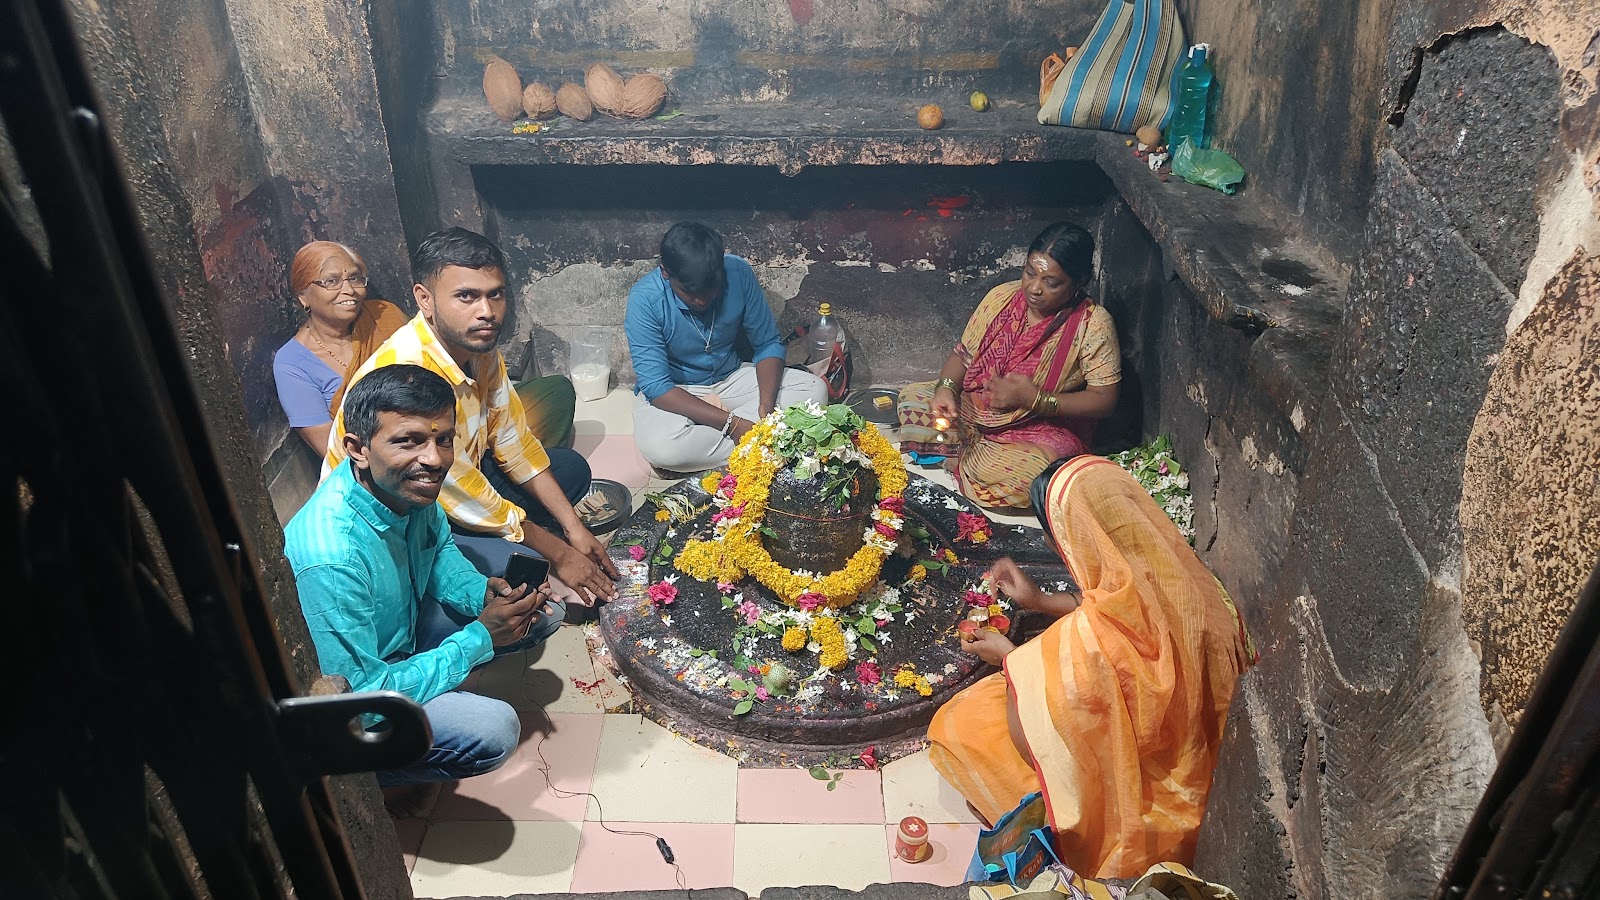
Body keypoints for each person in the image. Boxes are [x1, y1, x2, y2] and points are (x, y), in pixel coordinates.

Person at [927, 455, 1257, 878]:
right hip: (1202, 779)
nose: (1051, 546)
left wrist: (1011, 661)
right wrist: (1040, 601)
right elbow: (1119, 602)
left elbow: (1034, 747)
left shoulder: (1091, 646)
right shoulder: (1189, 581)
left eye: (1054, 536)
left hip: (1136, 816)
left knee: (960, 725)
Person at [285, 364, 563, 790]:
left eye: (443, 440)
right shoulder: (333, 556)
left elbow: (439, 553)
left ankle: (432, 683)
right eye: (408, 441)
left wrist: (480, 595)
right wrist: (478, 641)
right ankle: (372, 781)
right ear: (358, 449)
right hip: (354, 701)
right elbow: (360, 703)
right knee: (494, 730)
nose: (434, 459)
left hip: (398, 641)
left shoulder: (400, 484)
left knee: (540, 612)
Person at [324, 227, 618, 601]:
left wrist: (574, 529)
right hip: (406, 512)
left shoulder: (478, 345)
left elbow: (514, 442)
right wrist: (560, 553)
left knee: (570, 470)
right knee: (517, 575)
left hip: (456, 477)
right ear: (424, 299)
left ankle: (513, 539)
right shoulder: (410, 372)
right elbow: (455, 487)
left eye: (495, 294)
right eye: (466, 296)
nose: (487, 312)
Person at [898, 222, 1122, 509]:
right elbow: (963, 357)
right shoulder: (1001, 297)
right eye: (1030, 273)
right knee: (911, 399)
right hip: (974, 408)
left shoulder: (1094, 324)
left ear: (1078, 283)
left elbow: (1104, 401)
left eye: (1051, 283)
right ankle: (967, 450)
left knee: (1039, 476)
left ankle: (961, 456)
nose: (1034, 288)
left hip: (1037, 424)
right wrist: (945, 389)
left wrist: (1035, 399)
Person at [625, 222, 828, 472]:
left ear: (721, 266)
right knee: (663, 447)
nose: (700, 300)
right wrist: (732, 424)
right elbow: (657, 387)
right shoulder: (645, 299)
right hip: (678, 389)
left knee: (814, 390)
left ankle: (731, 440)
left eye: (710, 289)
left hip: (730, 377)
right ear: (665, 272)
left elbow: (766, 344)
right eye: (689, 292)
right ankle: (768, 442)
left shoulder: (737, 272)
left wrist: (766, 406)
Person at [273, 241, 409, 453]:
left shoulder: (384, 316)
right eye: (332, 281)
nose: (349, 290)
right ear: (303, 296)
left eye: (354, 278)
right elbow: (332, 451)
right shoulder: (292, 364)